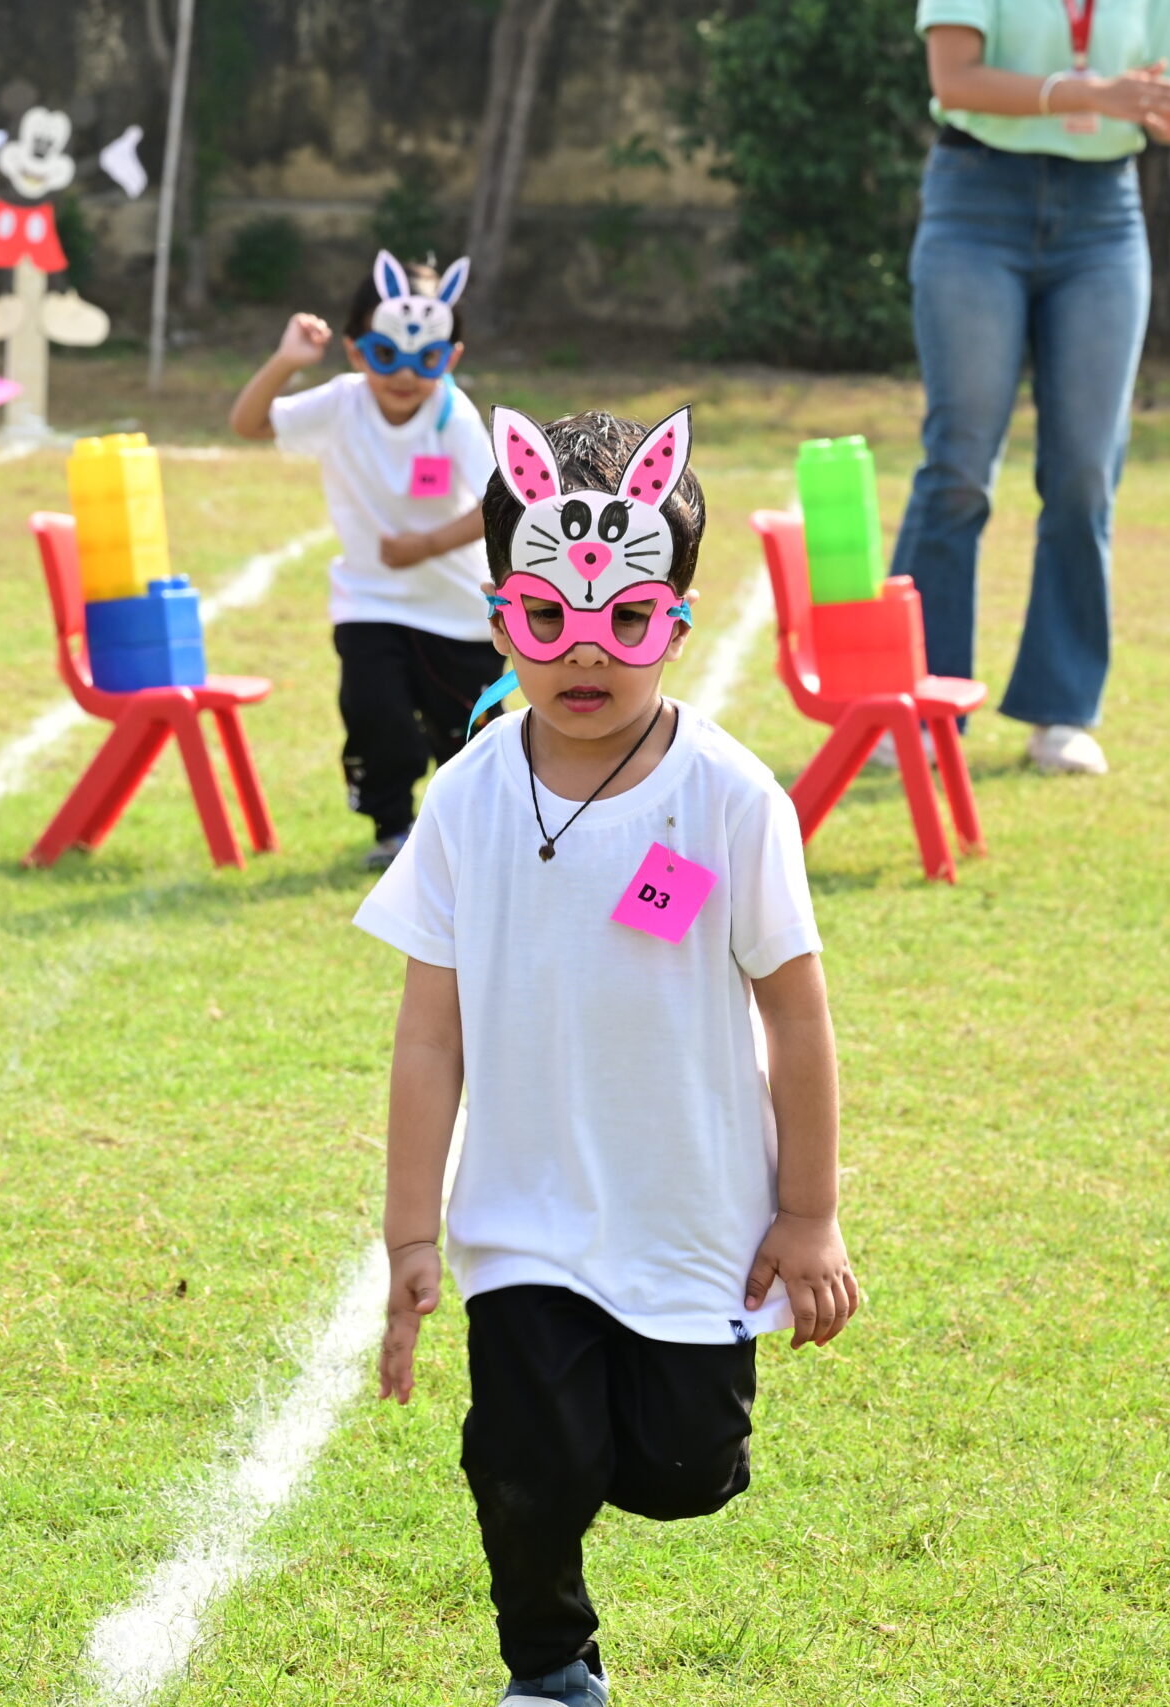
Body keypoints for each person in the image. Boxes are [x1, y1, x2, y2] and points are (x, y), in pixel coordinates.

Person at [357, 406, 859, 1707]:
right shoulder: (467, 798)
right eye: (548, 618)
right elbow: (428, 1034)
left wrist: (808, 1212)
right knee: (527, 1458)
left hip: (691, 1211)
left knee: (687, 1470)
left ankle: (609, 1457)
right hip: (523, 1215)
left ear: (676, 622)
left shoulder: (730, 799)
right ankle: (548, 1666)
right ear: (500, 617)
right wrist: (411, 1233)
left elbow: (798, 1015)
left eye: (624, 620)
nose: (585, 650)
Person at [892, 1, 1170, 776]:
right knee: (959, 467)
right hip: (976, 200)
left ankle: (1062, 711)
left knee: (1084, 473)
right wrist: (1093, 94)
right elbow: (954, 79)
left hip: (1104, 215)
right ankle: (916, 704)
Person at [230, 249, 507, 868]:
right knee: (376, 715)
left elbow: (500, 499)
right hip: (369, 601)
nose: (404, 375)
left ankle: (482, 838)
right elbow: (248, 424)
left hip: (456, 610)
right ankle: (393, 830)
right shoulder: (341, 403)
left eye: (425, 359)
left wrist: (426, 545)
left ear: (450, 358)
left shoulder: (451, 415)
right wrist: (287, 360)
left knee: (470, 733)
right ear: (356, 351)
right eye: (386, 355)